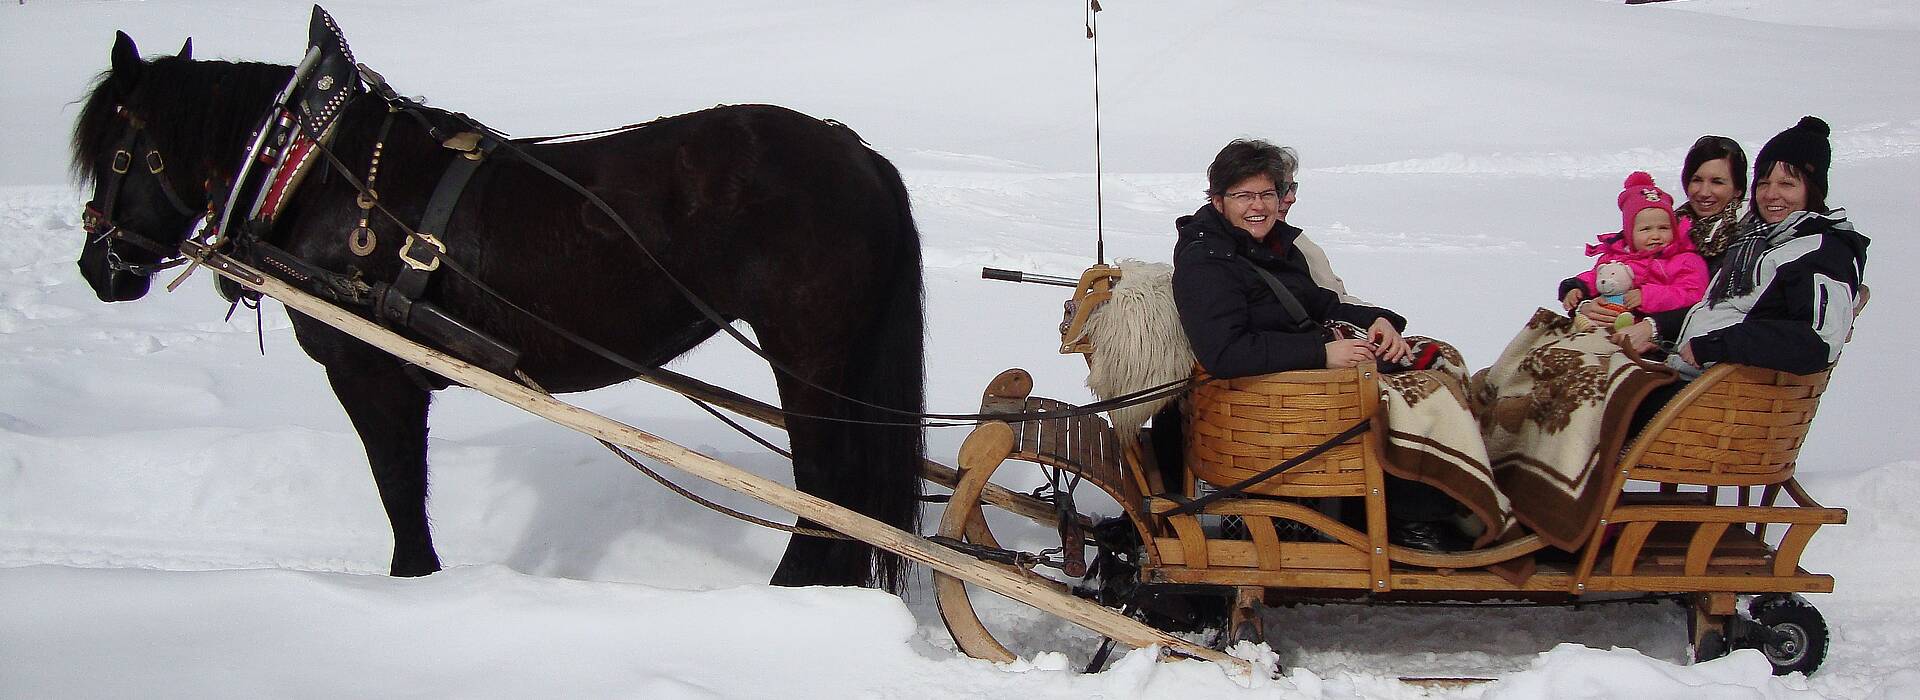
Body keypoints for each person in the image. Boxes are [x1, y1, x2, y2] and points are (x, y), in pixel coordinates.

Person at [1170, 139, 1467, 551]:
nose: (1258, 206)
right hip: (1281, 393)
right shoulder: (1206, 263)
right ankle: (1413, 519)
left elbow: (1317, 302)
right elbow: (1225, 353)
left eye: (1267, 194)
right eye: (1244, 196)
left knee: (1443, 359)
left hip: (1308, 370)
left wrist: (1379, 321)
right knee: (1424, 395)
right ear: (1218, 200)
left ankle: (1451, 496)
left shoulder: (1265, 245)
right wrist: (1323, 354)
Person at [1583, 135, 1748, 348]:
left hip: (1694, 349)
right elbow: (1616, 265)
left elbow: (1718, 307)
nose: (1704, 192)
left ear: (1737, 189)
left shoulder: (1744, 239)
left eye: (1717, 182)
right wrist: (1587, 304)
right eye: (1697, 180)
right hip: (1627, 330)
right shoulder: (1666, 223)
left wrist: (1654, 326)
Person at [1557, 172, 1709, 326]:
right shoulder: (1615, 257)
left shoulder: (1684, 259)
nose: (1655, 235)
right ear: (1630, 233)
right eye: (1646, 229)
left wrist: (1648, 296)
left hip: (1644, 333)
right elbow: (1595, 276)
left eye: (1663, 228)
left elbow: (1694, 293)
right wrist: (1576, 288)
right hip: (1604, 322)